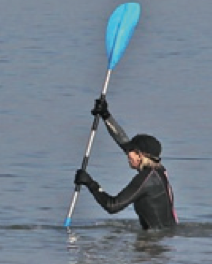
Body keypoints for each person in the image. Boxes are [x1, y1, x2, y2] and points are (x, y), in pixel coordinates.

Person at [74, 98, 178, 230]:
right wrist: (106, 116)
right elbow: (122, 141)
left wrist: (90, 183)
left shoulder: (147, 179)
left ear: (141, 156)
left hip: (154, 242)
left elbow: (112, 206)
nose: (127, 154)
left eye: (132, 151)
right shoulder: (157, 171)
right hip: (164, 237)